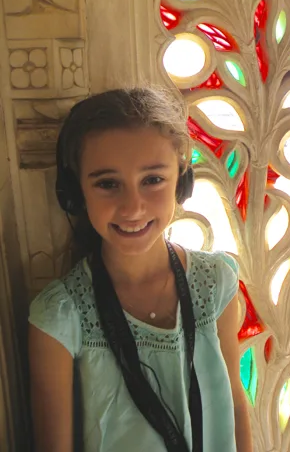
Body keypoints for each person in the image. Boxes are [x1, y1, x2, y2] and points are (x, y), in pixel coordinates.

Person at [28, 86, 253, 452]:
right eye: (107, 184)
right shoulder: (60, 315)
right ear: (75, 193)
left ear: (181, 181)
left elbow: (236, 407)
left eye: (152, 180)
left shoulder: (215, 282)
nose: (133, 207)